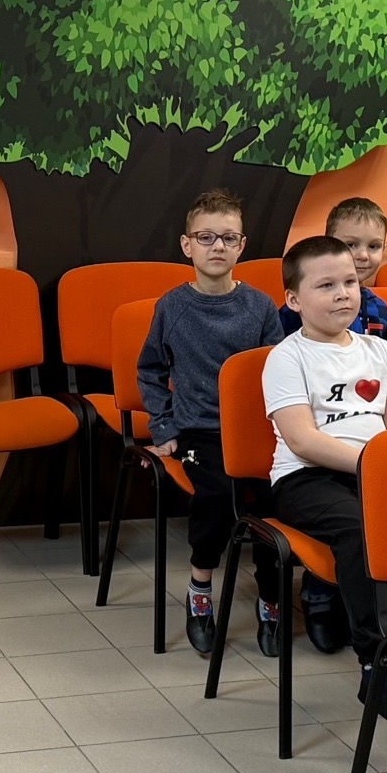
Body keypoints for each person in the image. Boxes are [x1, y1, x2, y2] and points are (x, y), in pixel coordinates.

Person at [264, 234, 387, 725]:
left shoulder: (379, 350)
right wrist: (372, 464)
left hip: (373, 471)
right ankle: (376, 664)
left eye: (350, 283)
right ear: (294, 300)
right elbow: (302, 440)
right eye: (326, 285)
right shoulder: (287, 357)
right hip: (305, 479)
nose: (343, 294)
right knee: (361, 529)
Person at [137, 189, 283, 656]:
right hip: (199, 430)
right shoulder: (172, 307)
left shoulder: (260, 306)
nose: (218, 246)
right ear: (187, 245)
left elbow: (280, 370)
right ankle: (200, 589)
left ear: (242, 246)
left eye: (228, 238)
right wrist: (164, 429)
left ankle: (272, 599)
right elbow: (150, 370)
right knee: (218, 493)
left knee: (274, 498)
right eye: (206, 237)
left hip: (257, 431)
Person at [280, 197, 387, 347]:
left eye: (374, 246)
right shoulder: (299, 308)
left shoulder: (380, 311)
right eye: (351, 244)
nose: (363, 255)